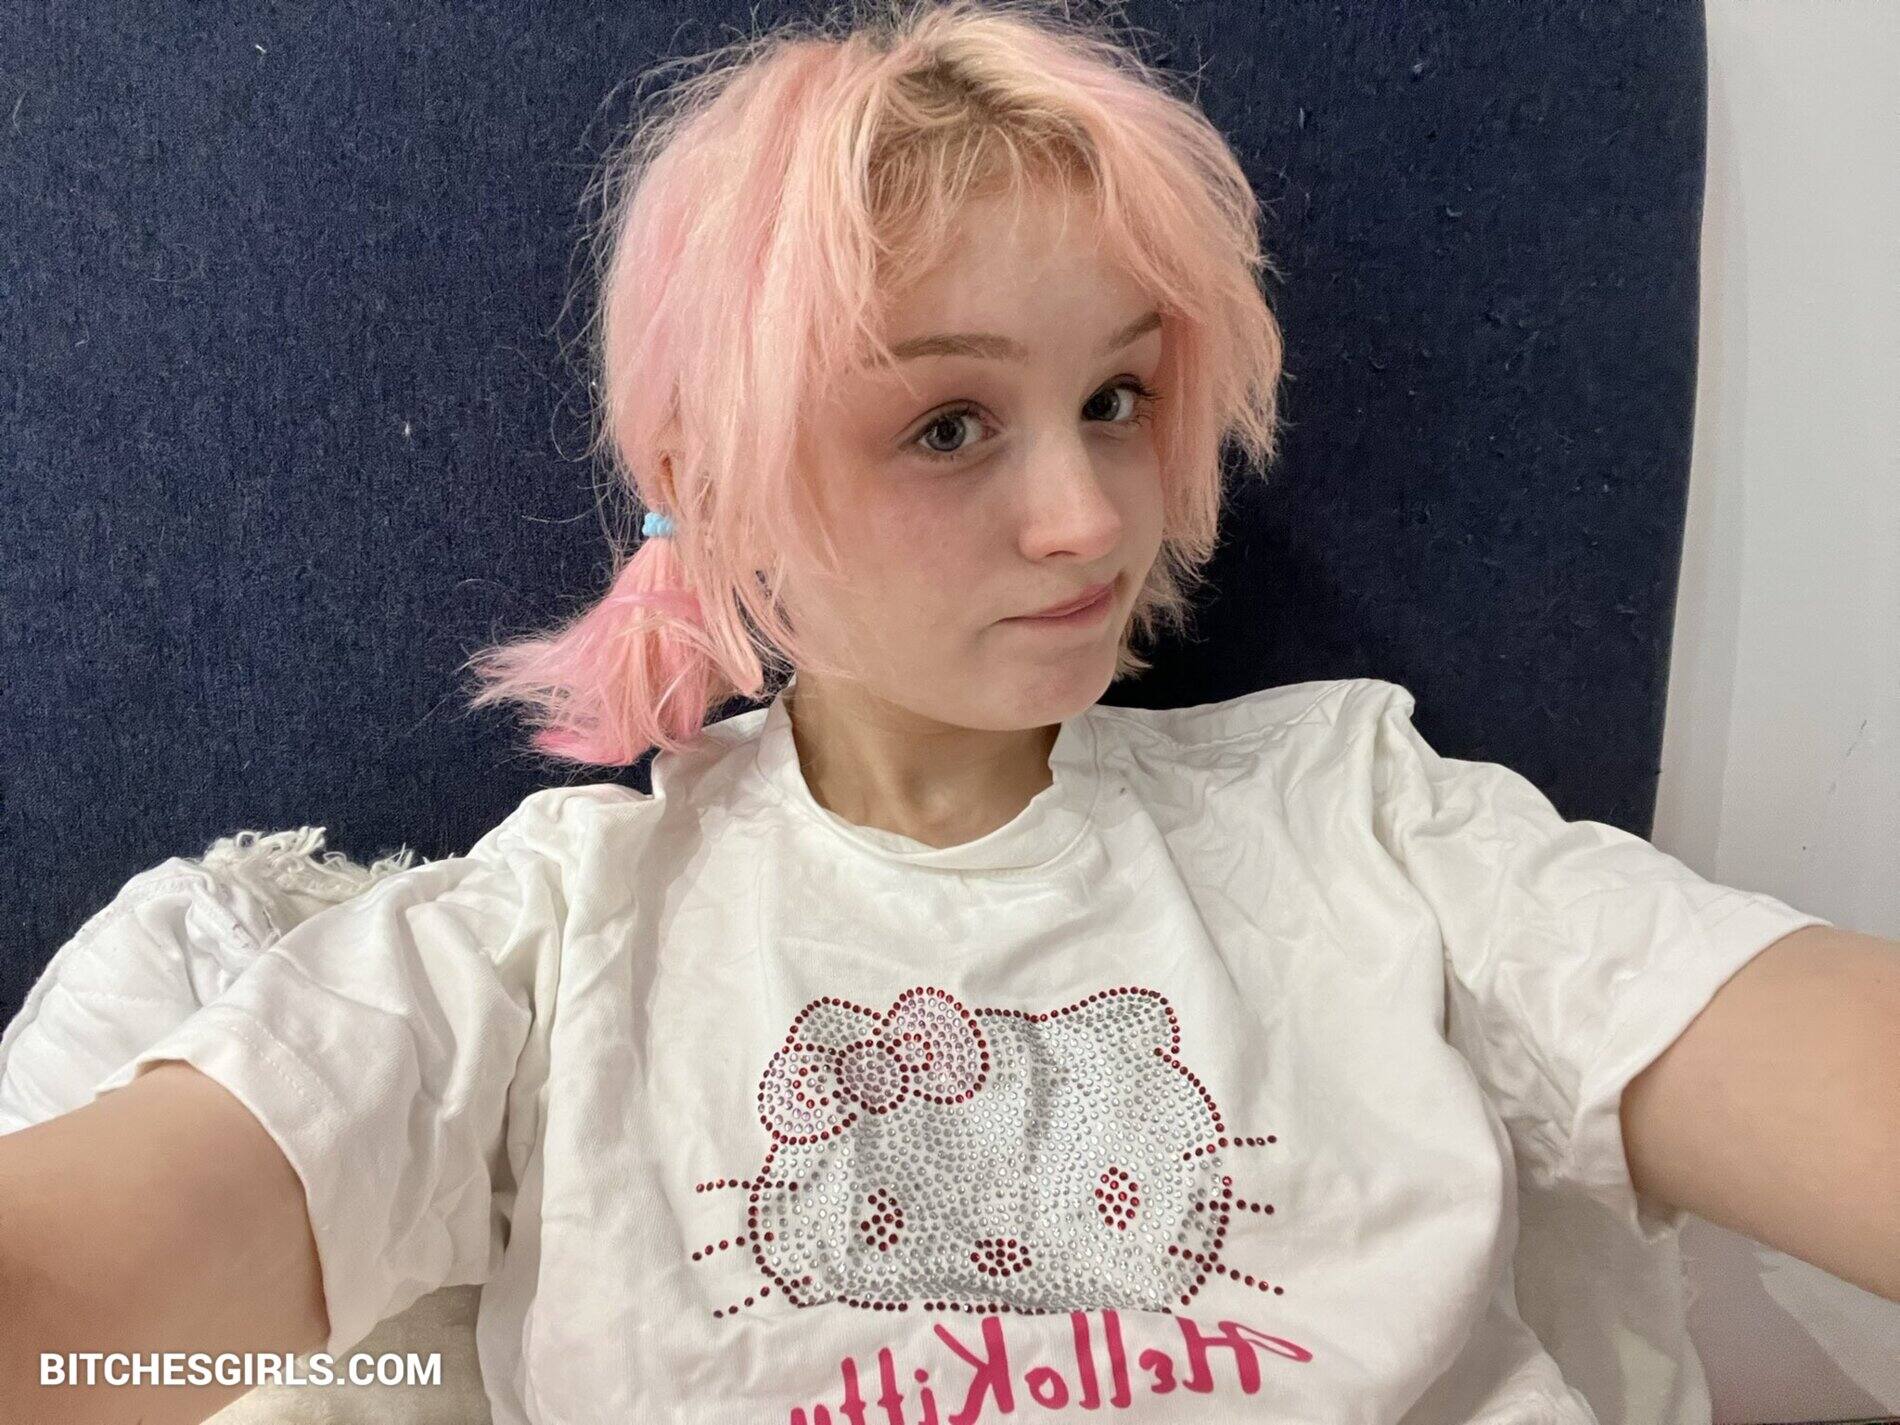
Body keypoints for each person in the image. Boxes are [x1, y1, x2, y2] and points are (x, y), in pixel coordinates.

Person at [1, 2, 1894, 1423]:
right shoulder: (553, 931)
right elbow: (96, 1291)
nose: (1089, 517)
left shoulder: (1364, 817)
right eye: (948, 423)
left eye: (1118, 398)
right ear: (716, 480)